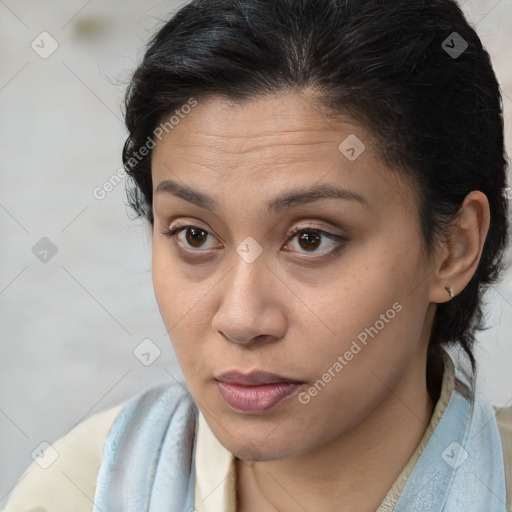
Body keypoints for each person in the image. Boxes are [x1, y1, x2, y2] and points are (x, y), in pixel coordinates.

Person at [3, 0, 512, 510]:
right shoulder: (80, 488)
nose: (242, 319)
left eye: (311, 239)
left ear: (454, 247)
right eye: (194, 236)